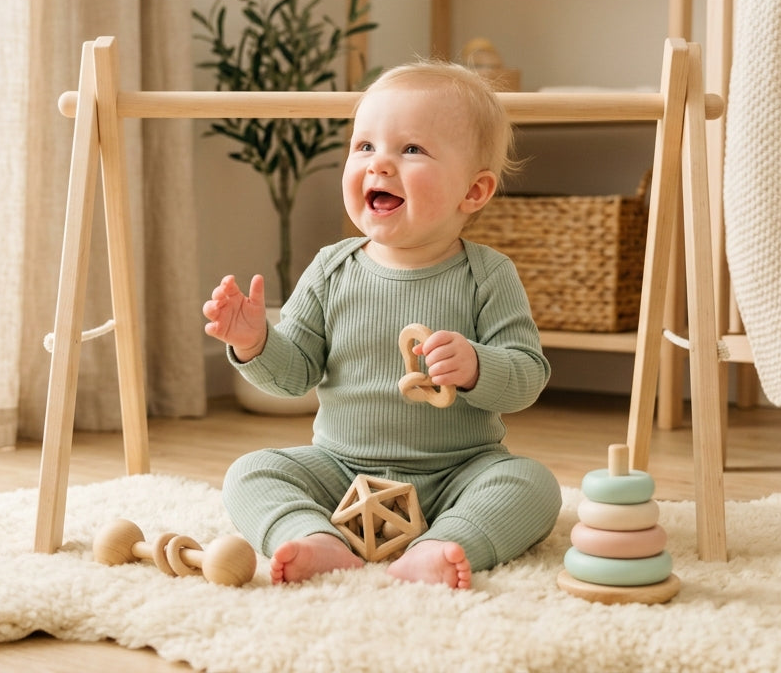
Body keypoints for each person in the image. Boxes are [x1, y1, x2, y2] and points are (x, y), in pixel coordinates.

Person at [203, 60, 559, 589]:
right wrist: (256, 343)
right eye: (364, 146)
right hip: (339, 467)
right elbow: (295, 374)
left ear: (475, 191)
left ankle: (446, 542)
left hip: (458, 471)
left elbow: (528, 376)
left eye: (410, 149)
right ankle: (314, 536)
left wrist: (477, 365)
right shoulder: (332, 268)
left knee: (533, 484)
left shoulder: (487, 275)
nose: (379, 164)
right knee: (250, 472)